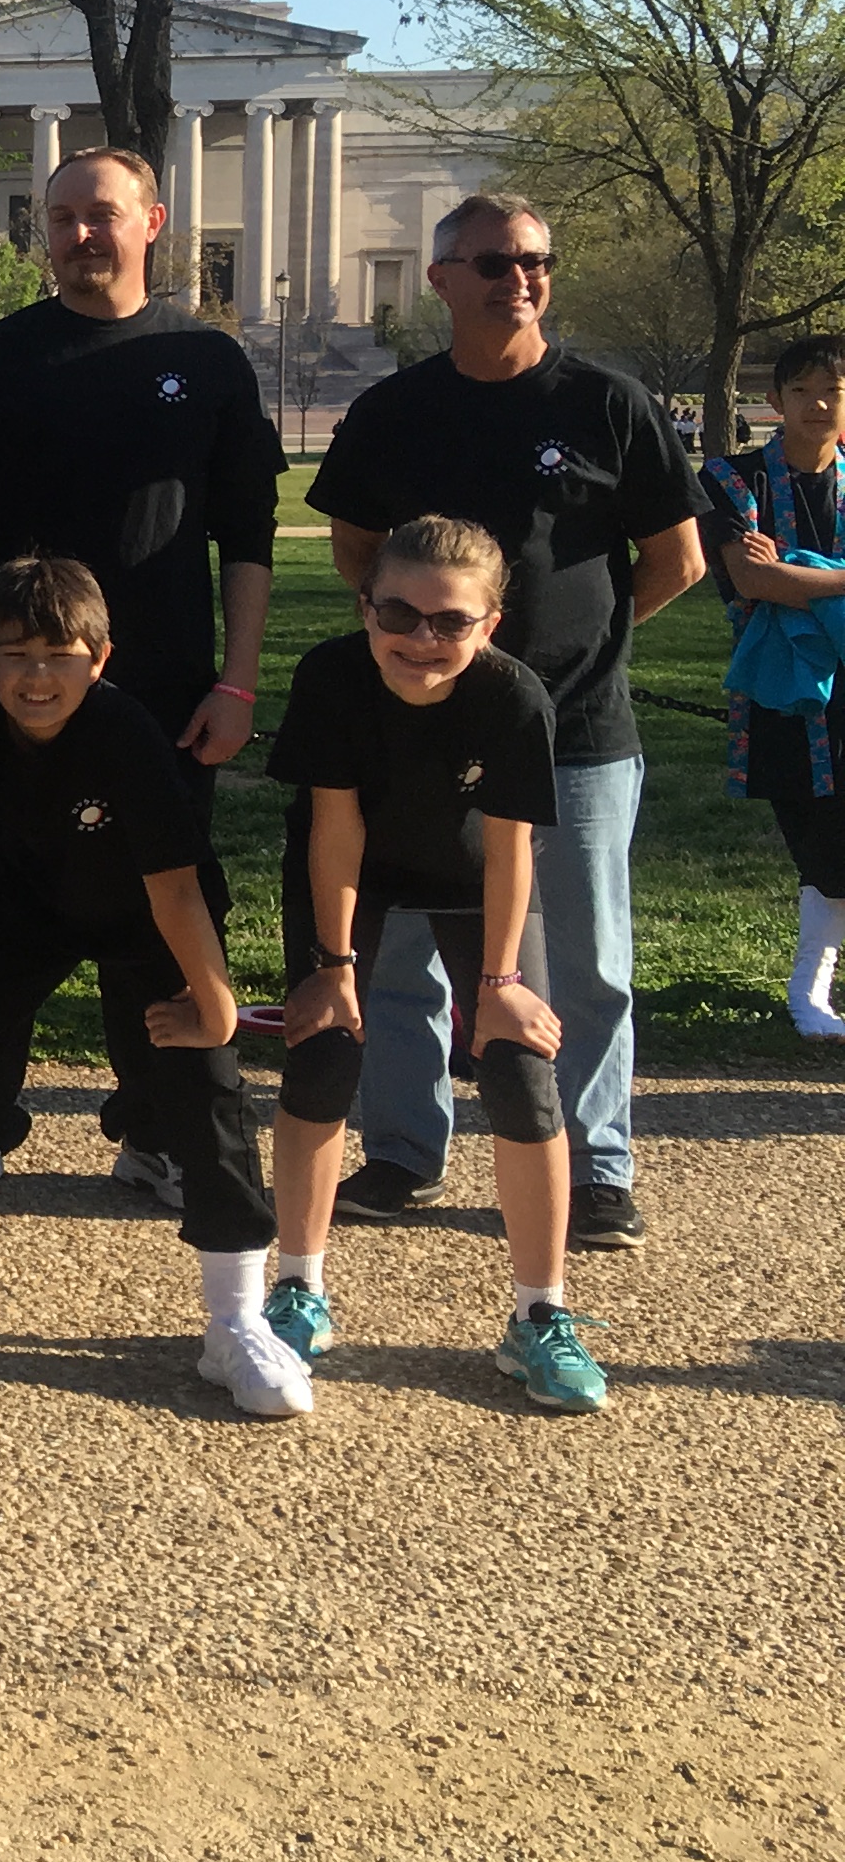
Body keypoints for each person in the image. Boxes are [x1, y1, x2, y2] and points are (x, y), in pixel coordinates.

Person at [308, 193, 701, 1251]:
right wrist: (423, 649)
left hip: (577, 731)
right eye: (493, 263)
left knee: (587, 959)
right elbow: (354, 546)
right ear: (441, 280)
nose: (518, 278)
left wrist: (578, 649)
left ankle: (598, 1166)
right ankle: (404, 1149)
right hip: (420, 732)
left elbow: (675, 560)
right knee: (405, 956)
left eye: (535, 259)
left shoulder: (610, 405)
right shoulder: (395, 412)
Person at [0, 143, 281, 1208]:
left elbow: (247, 536)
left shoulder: (206, 360)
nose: (79, 235)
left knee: (160, 922)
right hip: (9, 700)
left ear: (151, 223)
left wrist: (238, 682)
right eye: (62, 217)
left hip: (163, 696)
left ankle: (157, 1131)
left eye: (101, 214)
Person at [0, 557, 297, 1415]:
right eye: (14, 655)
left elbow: (174, 887)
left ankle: (236, 1319)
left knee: (204, 1078)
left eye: (59, 655)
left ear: (100, 659)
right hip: (19, 909)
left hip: (144, 914)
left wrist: (215, 1001)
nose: (37, 676)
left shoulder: (126, 733)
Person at [262, 514, 605, 1413]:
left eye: (451, 621)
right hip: (354, 873)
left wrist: (499, 987)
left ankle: (540, 1314)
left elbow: (511, 849)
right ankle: (298, 1288)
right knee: (324, 1052)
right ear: (365, 608)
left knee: (522, 1071)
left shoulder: (514, 696)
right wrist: (334, 965)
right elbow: (335, 828)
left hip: (474, 878)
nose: (421, 639)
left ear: (489, 624)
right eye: (398, 615)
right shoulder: (332, 676)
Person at [701, 330, 845, 1034]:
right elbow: (752, 579)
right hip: (783, 689)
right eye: (802, 390)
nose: (818, 404)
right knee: (819, 838)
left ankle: (813, 989)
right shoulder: (732, 479)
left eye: (833, 391)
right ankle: (808, 991)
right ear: (774, 399)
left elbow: (777, 576)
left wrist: (796, 571)